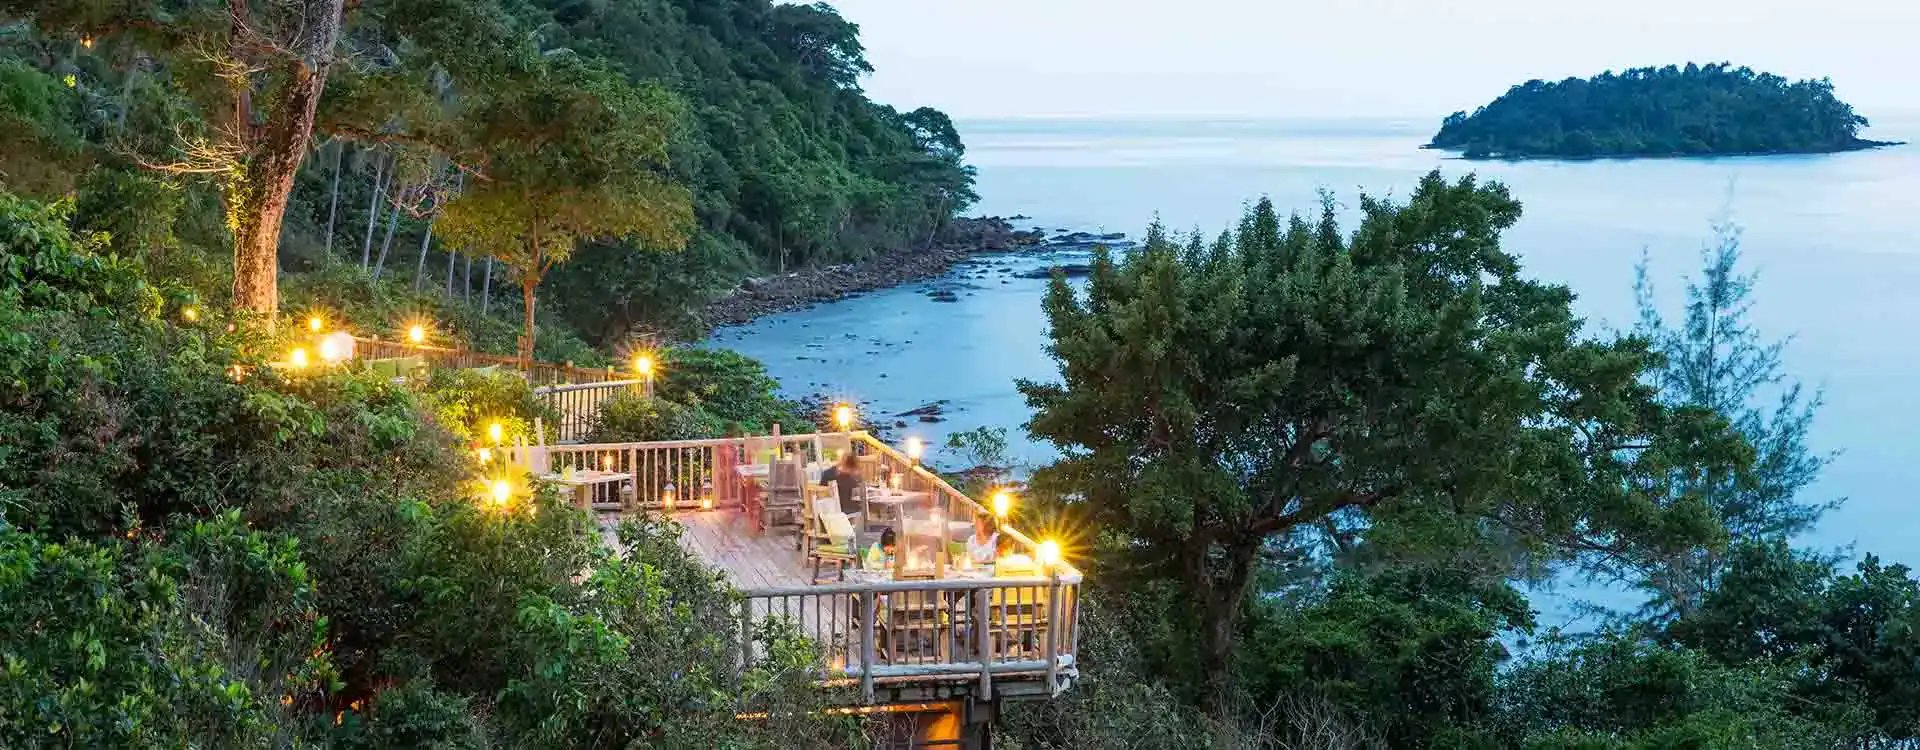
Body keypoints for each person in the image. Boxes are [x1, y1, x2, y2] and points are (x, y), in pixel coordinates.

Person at [818, 451, 863, 516]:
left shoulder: (828, 473)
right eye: (853, 469)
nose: (855, 472)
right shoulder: (832, 476)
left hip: (836, 512)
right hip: (844, 513)